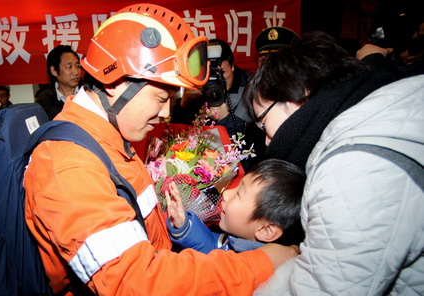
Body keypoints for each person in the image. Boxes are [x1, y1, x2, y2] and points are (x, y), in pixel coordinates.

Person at [24, 4, 299, 295]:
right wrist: (261, 265)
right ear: (116, 84)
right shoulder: (70, 167)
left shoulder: (110, 136)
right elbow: (137, 282)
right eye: (160, 98)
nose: (165, 112)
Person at [244, 31, 424, 294]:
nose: (269, 141)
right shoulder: (382, 109)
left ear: (298, 96)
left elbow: (325, 288)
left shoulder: (351, 166)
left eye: (263, 122)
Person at [165, 159, 305, 253]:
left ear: (266, 230)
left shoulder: (243, 274)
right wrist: (184, 225)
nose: (226, 194)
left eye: (239, 194)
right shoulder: (235, 242)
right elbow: (212, 245)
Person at [171, 38, 252, 137]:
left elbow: (253, 142)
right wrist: (183, 106)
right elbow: (178, 137)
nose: (216, 79)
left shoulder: (252, 88)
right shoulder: (199, 86)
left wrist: (226, 118)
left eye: (222, 72)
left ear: (232, 66)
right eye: (209, 74)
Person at [35, 45, 81, 120]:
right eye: (69, 67)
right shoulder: (44, 102)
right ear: (54, 71)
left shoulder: (90, 94)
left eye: (78, 66)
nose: (76, 72)